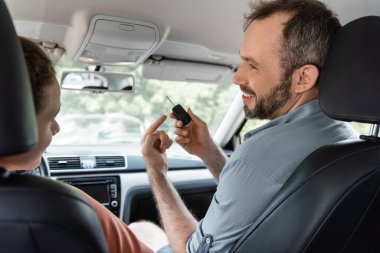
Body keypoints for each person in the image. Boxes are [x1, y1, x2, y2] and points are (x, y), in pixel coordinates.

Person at [140, 0, 358, 252]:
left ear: (303, 78)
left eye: (253, 65)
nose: (237, 77)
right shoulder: (344, 140)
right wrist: (209, 152)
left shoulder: (259, 156)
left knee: (137, 228)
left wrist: (156, 172)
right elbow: (261, 198)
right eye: (242, 61)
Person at [0, 37, 157, 253]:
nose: (57, 128)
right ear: (16, 123)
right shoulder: (62, 207)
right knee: (145, 228)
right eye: (51, 117)